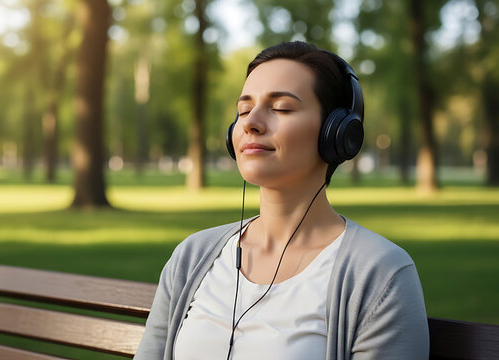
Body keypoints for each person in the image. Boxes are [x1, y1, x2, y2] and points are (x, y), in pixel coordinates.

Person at [134, 41, 429, 360]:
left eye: (282, 108)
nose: (250, 123)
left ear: (337, 134)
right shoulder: (191, 257)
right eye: (244, 110)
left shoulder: (379, 273)